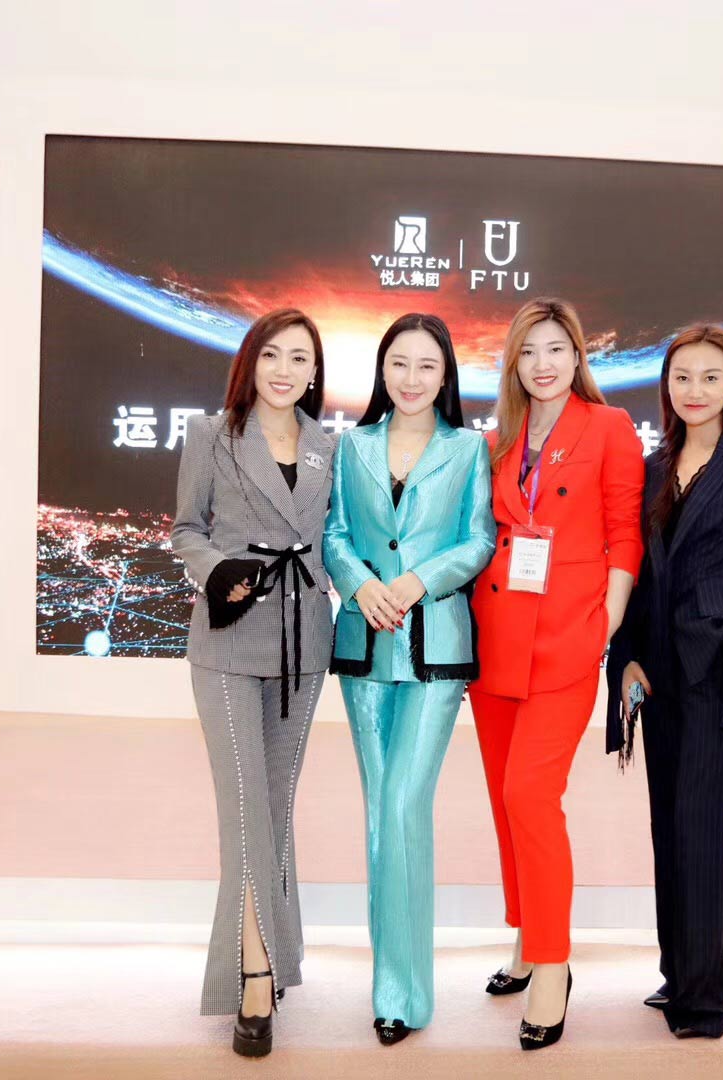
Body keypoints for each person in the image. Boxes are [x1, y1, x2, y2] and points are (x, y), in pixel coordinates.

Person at [606, 324, 723, 1039]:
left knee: (701, 826)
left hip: (719, 670)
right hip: (656, 674)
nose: (695, 390)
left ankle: (709, 996)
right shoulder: (654, 466)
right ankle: (680, 973)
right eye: (682, 376)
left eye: (710, 377)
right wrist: (625, 654)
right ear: (667, 385)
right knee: (670, 827)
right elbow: (636, 570)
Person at [469, 297, 644, 1051]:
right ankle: (525, 935)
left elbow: (625, 533)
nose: (543, 364)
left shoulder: (608, 427)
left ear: (577, 357)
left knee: (531, 796)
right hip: (495, 638)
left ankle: (552, 963)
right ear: (514, 363)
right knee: (505, 802)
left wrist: (604, 625)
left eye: (556, 349)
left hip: (568, 637)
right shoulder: (495, 440)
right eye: (529, 351)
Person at [322, 313, 495, 1045]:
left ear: (446, 373)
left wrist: (420, 579)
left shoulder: (468, 448)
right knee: (378, 815)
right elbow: (334, 534)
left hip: (434, 650)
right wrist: (360, 584)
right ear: (382, 369)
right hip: (365, 645)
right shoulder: (352, 445)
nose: (412, 378)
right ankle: (391, 988)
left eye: (427, 365)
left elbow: (480, 538)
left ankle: (404, 993)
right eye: (399, 363)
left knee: (401, 805)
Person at [169, 308, 336, 1058]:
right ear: (250, 361)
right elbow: (186, 529)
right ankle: (256, 975)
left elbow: (335, 540)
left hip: (306, 644)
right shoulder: (210, 435)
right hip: (230, 637)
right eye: (272, 354)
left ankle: (276, 957)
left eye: (299, 358)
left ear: (314, 371)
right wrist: (217, 572)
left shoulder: (330, 446)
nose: (284, 370)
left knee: (274, 809)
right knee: (244, 813)